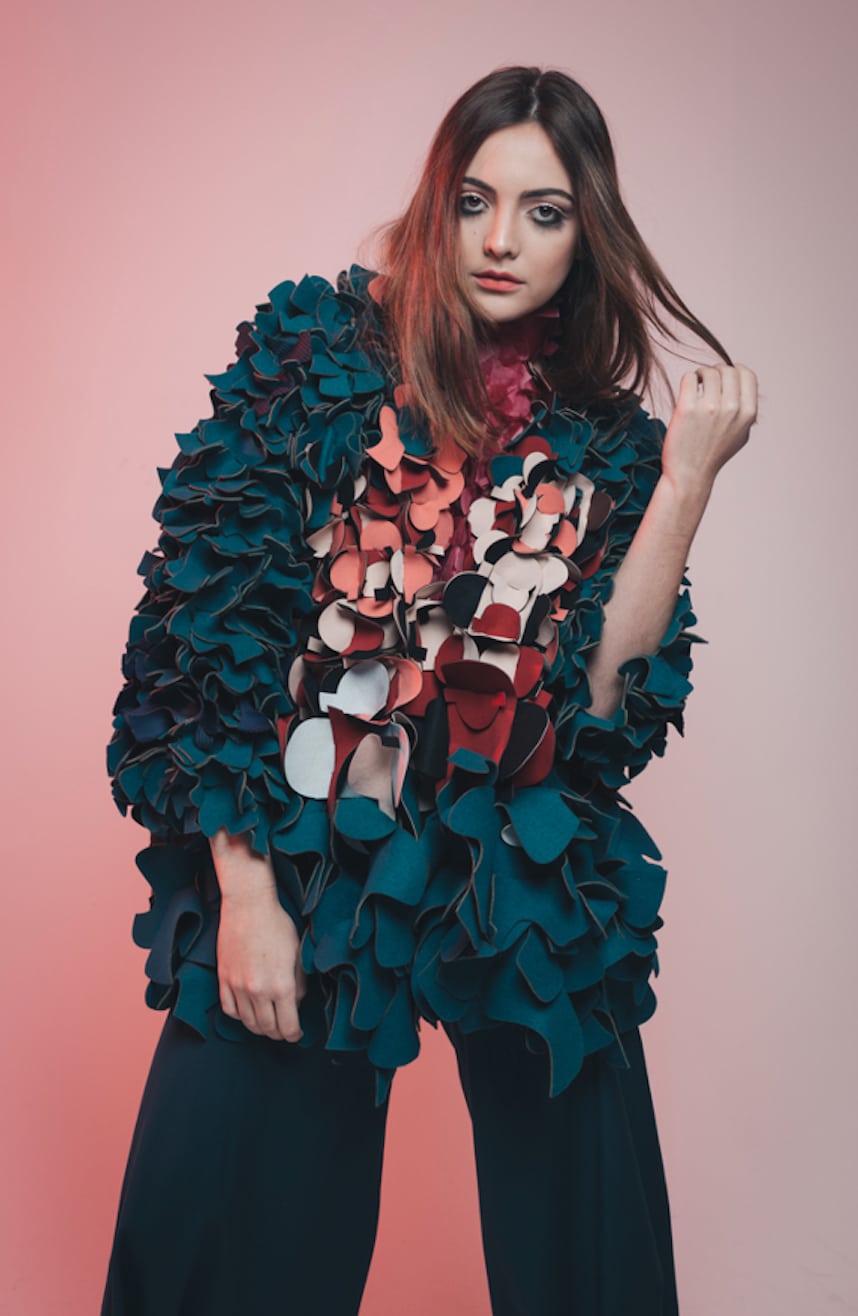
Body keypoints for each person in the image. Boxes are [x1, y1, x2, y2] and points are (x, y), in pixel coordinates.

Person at [101, 65, 757, 1316]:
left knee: (596, 1213)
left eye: (545, 210)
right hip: (305, 840)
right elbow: (198, 633)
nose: (503, 239)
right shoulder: (310, 355)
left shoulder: (610, 441)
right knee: (218, 1235)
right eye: (475, 200)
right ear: (436, 205)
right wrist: (244, 889)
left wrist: (682, 488)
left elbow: (599, 723)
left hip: (503, 847)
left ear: (589, 229)